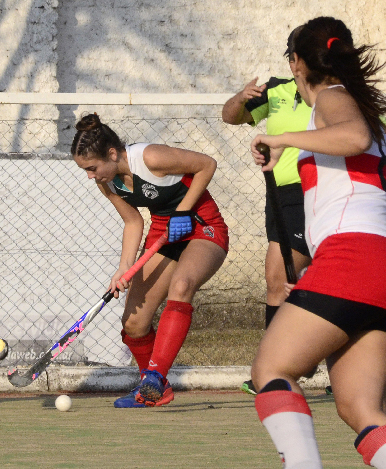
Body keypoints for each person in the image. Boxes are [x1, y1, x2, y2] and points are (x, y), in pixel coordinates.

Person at [250, 17, 386, 467]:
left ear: (296, 63)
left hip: (354, 257)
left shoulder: (333, 98)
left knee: (271, 370)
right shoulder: (361, 106)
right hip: (371, 266)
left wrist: (282, 139)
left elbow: (353, 137)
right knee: (358, 408)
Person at [71, 114, 229, 408]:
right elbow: (132, 222)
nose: (90, 176)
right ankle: (155, 391)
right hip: (163, 234)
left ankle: (154, 377)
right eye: (85, 171)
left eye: (92, 168)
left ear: (113, 154)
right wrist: (123, 268)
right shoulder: (108, 182)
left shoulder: (150, 157)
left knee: (181, 285)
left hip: (201, 225)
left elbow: (207, 164)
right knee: (133, 323)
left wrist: (182, 211)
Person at [222, 27, 313, 396]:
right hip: (280, 195)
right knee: (278, 280)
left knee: (286, 278)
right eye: (290, 57)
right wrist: (241, 98)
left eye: (297, 56)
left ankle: (278, 370)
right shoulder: (275, 90)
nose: (293, 64)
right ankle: (278, 369)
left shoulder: (339, 95)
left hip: (316, 194)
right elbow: (230, 116)